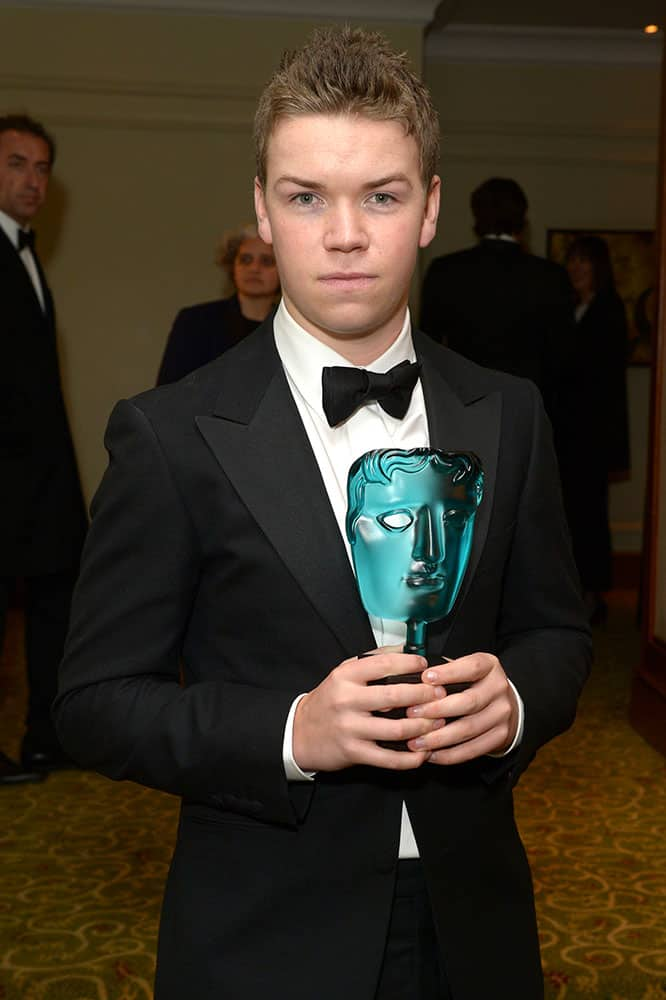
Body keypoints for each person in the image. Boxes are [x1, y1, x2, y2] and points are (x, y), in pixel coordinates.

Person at [54, 27, 591, 1000]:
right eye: (307, 197)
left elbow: (557, 628)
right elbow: (93, 703)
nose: (345, 234)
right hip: (264, 932)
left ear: (429, 207)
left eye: (380, 195)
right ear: (263, 208)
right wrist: (294, 730)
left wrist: (512, 702)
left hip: (475, 925)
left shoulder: (507, 412)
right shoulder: (174, 435)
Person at [0, 113, 87, 783]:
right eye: (16, 163)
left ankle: (44, 736)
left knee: (60, 596)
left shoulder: (25, 254)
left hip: (43, 474)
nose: (33, 180)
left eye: (41, 167)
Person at [420, 177, 575, 425]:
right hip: (531, 412)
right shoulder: (550, 277)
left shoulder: (446, 271)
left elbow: (427, 349)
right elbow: (563, 361)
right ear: (522, 220)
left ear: (476, 217)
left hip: (462, 408)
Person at [558, 234, 631, 623]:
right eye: (572, 261)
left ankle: (593, 594)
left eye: (583, 261)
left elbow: (603, 381)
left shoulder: (608, 310)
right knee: (568, 515)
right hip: (566, 434)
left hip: (592, 435)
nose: (576, 268)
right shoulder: (568, 308)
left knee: (590, 516)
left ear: (597, 267)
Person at [156, 223, 279, 385]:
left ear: (284, 270)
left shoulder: (294, 327)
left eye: (267, 261)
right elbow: (168, 392)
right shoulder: (195, 321)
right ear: (232, 266)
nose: (254, 268)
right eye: (245, 260)